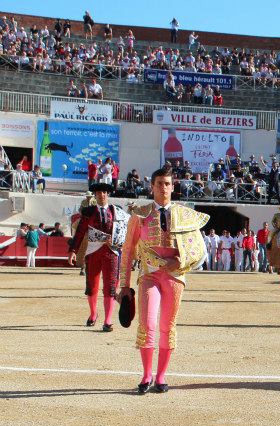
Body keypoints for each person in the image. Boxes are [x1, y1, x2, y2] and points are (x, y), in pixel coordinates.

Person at [118, 167, 210, 394]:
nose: (163, 187)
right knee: (147, 324)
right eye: (159, 183)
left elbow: (199, 249)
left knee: (167, 326)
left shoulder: (184, 214)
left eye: (167, 183)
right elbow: (128, 250)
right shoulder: (139, 214)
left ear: (172, 186)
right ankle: (146, 374)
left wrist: (179, 260)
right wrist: (124, 285)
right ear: (152, 186)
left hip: (174, 276)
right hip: (149, 274)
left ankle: (160, 376)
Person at [68, 182, 130, 331]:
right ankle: (93, 313)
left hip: (111, 252)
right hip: (93, 251)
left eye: (104, 192)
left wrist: (119, 242)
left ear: (108, 194)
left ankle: (108, 321)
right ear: (95, 195)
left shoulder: (117, 212)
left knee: (110, 286)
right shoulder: (88, 211)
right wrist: (73, 251)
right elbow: (81, 232)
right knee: (92, 285)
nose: (101, 195)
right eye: (99, 193)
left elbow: (125, 231)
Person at [267, 205, 280, 274]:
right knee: (271, 233)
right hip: (277, 228)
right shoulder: (276, 215)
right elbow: (273, 221)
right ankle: (269, 243)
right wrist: (276, 226)